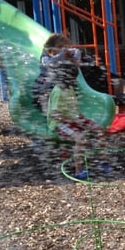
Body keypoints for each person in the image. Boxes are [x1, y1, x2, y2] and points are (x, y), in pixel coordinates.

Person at [33, 33, 103, 175]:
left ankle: (102, 161)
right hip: (46, 86)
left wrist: (71, 53)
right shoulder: (46, 57)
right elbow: (50, 64)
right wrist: (62, 55)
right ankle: (78, 168)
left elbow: (77, 55)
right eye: (60, 47)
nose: (63, 49)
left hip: (63, 91)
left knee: (97, 129)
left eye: (65, 46)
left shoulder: (68, 80)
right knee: (47, 97)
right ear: (51, 48)